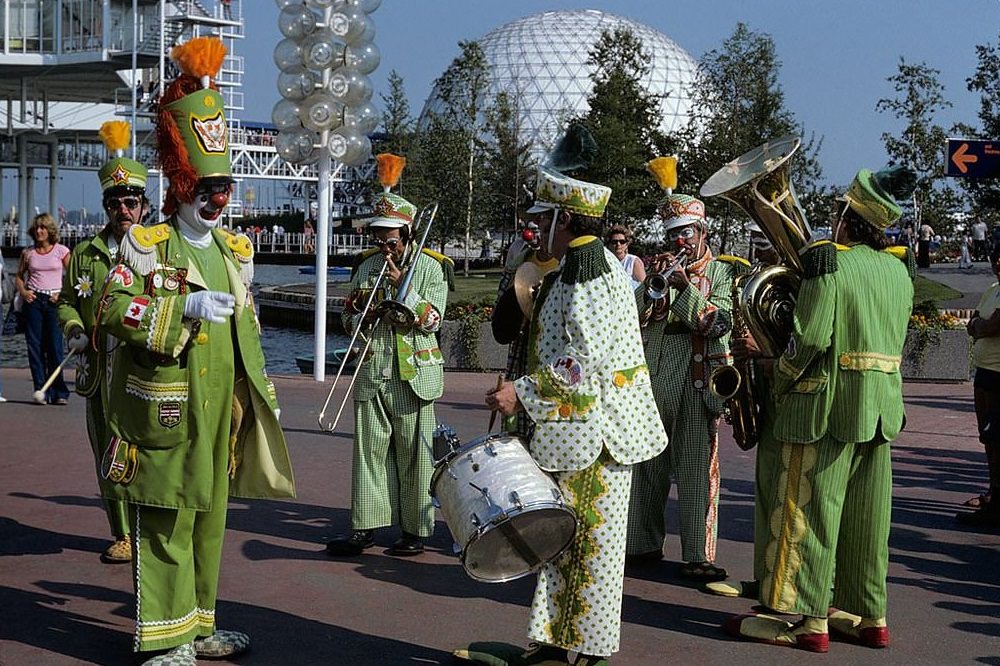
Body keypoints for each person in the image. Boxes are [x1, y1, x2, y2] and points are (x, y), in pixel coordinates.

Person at [97, 37, 295, 666]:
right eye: (208, 186)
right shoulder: (146, 245)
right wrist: (180, 308)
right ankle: (164, 639)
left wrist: (260, 396)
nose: (218, 199)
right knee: (164, 518)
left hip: (220, 414)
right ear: (182, 183)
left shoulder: (236, 252)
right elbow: (109, 309)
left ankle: (199, 626)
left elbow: (249, 330)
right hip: (166, 411)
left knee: (209, 521)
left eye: (226, 186)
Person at [458, 166, 668, 666]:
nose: (536, 228)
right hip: (585, 433)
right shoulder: (582, 265)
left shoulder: (588, 272)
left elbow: (581, 363)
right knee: (570, 547)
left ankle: (587, 653)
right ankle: (555, 646)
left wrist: (521, 393)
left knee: (590, 549)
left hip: (596, 437)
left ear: (565, 220)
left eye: (543, 219)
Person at [725, 166, 915, 652]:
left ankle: (807, 622)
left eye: (838, 213)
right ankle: (869, 616)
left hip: (822, 410)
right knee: (866, 520)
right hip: (879, 412)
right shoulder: (898, 270)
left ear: (847, 218)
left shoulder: (829, 264)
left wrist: (774, 369)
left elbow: (809, 337)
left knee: (806, 514)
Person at [325, 153, 452, 558]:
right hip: (372, 371)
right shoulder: (365, 268)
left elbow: (433, 320)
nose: (384, 246)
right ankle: (364, 528)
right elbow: (347, 319)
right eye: (377, 238)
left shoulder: (430, 269)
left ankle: (414, 530)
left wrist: (403, 289)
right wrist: (360, 312)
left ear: (408, 234)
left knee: (415, 455)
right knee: (369, 454)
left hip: (413, 375)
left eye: (391, 239)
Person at [625, 189, 743, 582]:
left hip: (696, 385)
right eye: (673, 233)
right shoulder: (658, 269)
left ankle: (697, 556)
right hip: (654, 382)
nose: (679, 241)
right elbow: (630, 317)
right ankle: (641, 543)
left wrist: (684, 288)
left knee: (695, 472)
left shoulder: (721, 273)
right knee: (646, 468)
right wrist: (650, 285)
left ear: (703, 231)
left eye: (686, 233)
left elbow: (719, 323)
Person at [58, 119, 150, 564]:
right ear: (106, 207)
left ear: (144, 207)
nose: (123, 210)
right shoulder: (84, 254)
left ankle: (150, 528)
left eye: (131, 202)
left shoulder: (158, 251)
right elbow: (65, 302)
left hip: (145, 372)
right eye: (115, 203)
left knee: (148, 450)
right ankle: (123, 533)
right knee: (108, 452)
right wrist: (74, 328)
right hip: (98, 371)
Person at [491, 214, 558, 439]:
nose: (540, 234)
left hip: (551, 348)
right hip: (523, 347)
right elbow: (502, 307)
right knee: (515, 425)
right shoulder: (520, 258)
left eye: (545, 229)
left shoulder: (563, 264)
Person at [958, 245, 1000, 527]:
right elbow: (975, 322)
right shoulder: (993, 289)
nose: (997, 263)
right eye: (994, 258)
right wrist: (980, 324)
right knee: (987, 436)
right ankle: (993, 493)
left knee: (997, 437)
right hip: (984, 372)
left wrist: (981, 325)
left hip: (999, 375)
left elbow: (992, 325)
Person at [15, 212, 71, 405]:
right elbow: (19, 276)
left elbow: (72, 277)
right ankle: (41, 389)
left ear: (50, 230)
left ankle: (60, 392)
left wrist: (61, 294)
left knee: (55, 347)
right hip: (34, 301)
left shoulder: (61, 251)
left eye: (43, 228)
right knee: (35, 346)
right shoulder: (28, 253)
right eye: (37, 228)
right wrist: (24, 292)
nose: (39, 231)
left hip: (54, 302)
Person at [605, 224, 645, 290]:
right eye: (614, 242)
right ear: (609, 244)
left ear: (626, 244)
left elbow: (643, 286)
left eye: (622, 241)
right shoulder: (606, 261)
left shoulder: (633, 261)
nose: (618, 244)